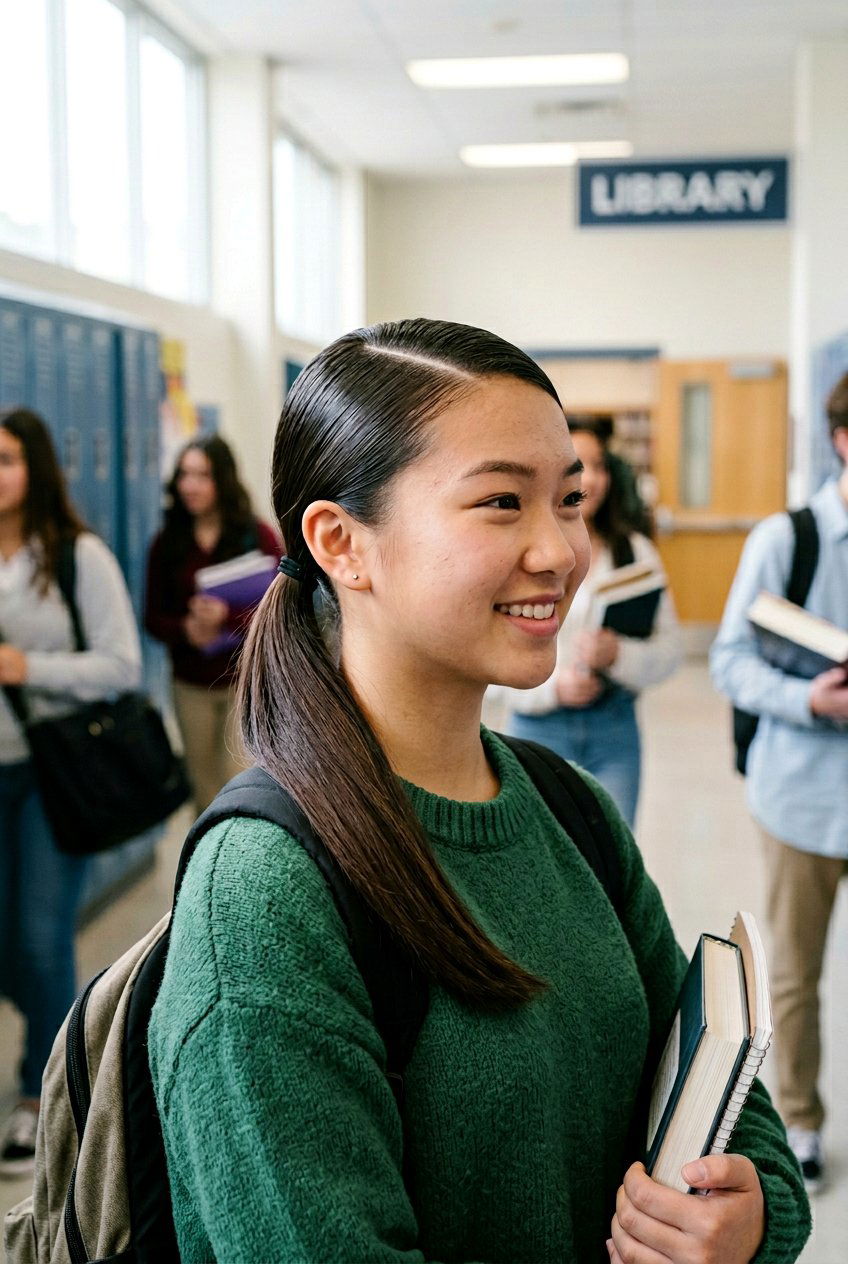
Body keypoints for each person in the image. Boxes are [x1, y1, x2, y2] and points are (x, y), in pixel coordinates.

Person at [148, 320, 809, 1264]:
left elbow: (736, 1120)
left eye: (569, 499)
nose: (559, 552)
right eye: (502, 501)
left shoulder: (570, 809)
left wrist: (743, 1223)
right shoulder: (266, 892)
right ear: (342, 542)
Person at [711, 371, 848, 1194]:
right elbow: (730, 658)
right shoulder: (785, 541)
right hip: (802, 795)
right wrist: (808, 696)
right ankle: (800, 1118)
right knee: (796, 970)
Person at [0, 408, 141, 1177]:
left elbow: (120, 664)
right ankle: (59, 1050)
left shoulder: (75, 555)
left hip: (52, 778)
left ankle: (41, 1098)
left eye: (7, 459)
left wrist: (28, 668)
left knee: (38, 936)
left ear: (37, 469)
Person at [499, 417, 682, 827]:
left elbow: (670, 651)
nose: (592, 480)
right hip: (538, 729)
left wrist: (619, 654)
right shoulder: (517, 551)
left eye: (598, 466)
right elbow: (486, 659)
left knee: (613, 859)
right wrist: (555, 688)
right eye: (579, 467)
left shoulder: (634, 553)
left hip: (613, 729)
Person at [144, 434, 280, 813]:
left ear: (223, 480)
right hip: (191, 683)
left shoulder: (257, 536)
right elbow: (153, 619)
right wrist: (185, 628)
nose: (191, 485)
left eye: (202, 475)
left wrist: (227, 618)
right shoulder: (166, 544)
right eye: (185, 475)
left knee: (242, 783)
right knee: (203, 790)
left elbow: (280, 611)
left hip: (243, 681)